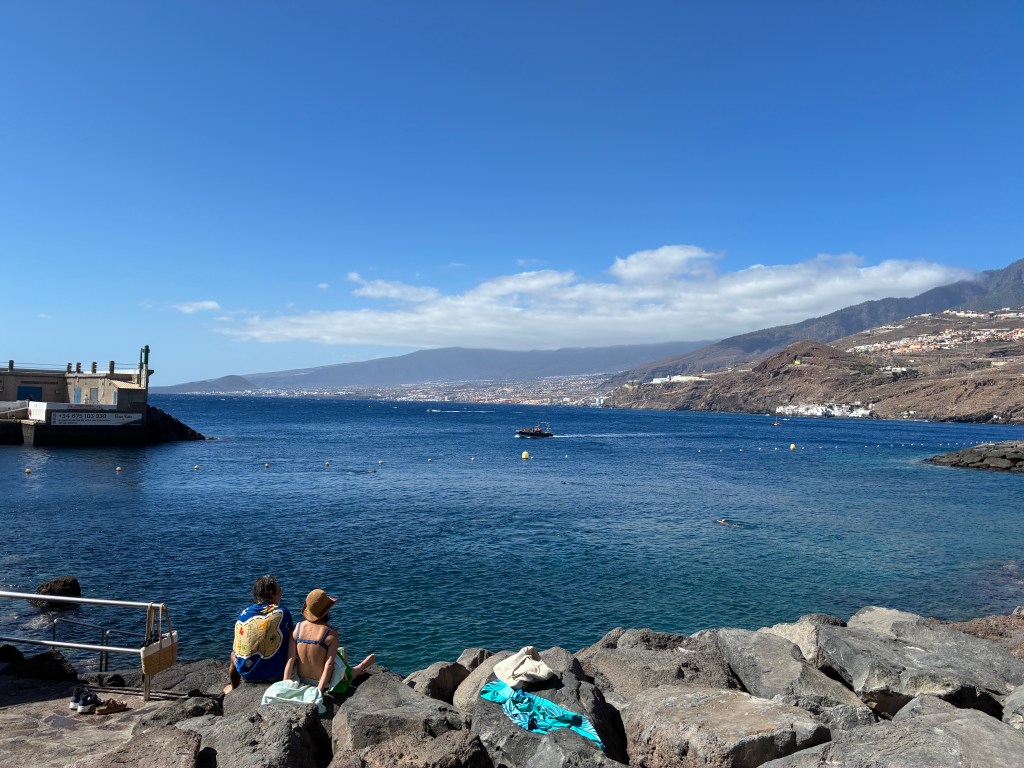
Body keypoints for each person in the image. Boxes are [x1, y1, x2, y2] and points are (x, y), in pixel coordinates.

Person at [283, 587, 375, 693]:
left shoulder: (297, 629)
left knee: (341, 651)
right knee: (341, 662)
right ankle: (359, 668)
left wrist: (285, 684)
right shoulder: (330, 632)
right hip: (322, 682)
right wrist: (319, 690)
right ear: (326, 611)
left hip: (301, 678)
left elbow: (290, 660)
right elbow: (329, 665)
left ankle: (353, 668)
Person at [224, 575, 295, 694]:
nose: (281, 593)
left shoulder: (243, 614)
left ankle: (234, 687)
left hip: (247, 675)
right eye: (279, 590)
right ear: (271, 593)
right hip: (275, 676)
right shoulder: (282, 612)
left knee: (233, 655)